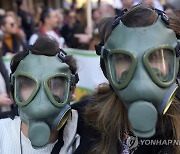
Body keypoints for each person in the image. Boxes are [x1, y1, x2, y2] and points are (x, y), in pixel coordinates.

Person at [73, 4, 180, 154]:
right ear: (107, 69)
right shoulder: (84, 120)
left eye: (156, 57)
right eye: (124, 58)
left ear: (174, 64)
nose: (141, 76)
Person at [0, 36, 80, 154]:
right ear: (14, 91)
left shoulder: (82, 142)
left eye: (55, 84)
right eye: (28, 84)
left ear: (72, 91)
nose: (41, 98)